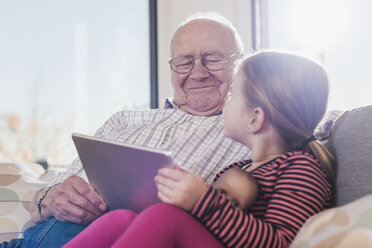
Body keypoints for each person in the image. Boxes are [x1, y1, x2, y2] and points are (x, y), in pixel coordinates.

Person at [0, 13, 251, 248]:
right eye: (184, 62)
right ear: (172, 69)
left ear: (239, 63)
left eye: (213, 59)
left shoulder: (251, 135)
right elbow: (38, 207)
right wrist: (51, 199)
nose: (198, 72)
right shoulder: (124, 120)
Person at [63, 51, 335, 248]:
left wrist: (201, 201)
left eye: (231, 96)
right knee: (122, 217)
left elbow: (280, 244)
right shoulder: (238, 169)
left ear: (255, 118)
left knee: (164, 217)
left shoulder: (301, 169)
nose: (224, 102)